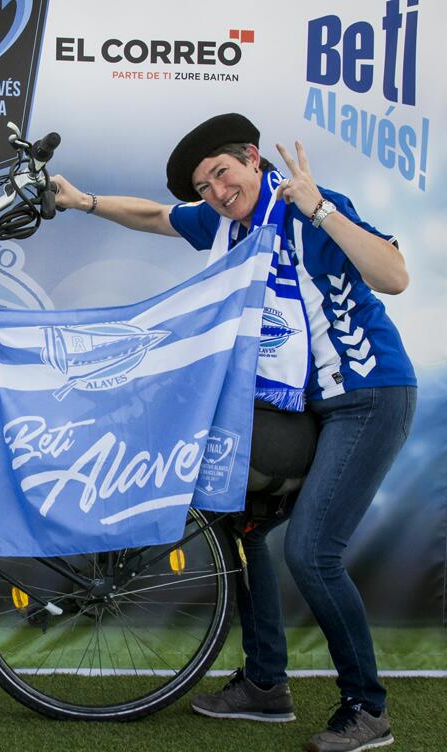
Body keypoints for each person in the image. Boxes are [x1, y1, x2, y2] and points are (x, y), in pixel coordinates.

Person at [53, 113, 416, 752]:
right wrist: (82, 201)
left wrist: (321, 208)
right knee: (238, 520)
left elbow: (393, 276)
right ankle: (265, 686)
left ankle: (367, 708)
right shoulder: (225, 223)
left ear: (253, 158)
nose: (217, 192)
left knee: (311, 551)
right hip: (307, 411)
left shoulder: (309, 207)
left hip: (368, 394)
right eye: (205, 186)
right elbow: (153, 217)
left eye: (222, 173)